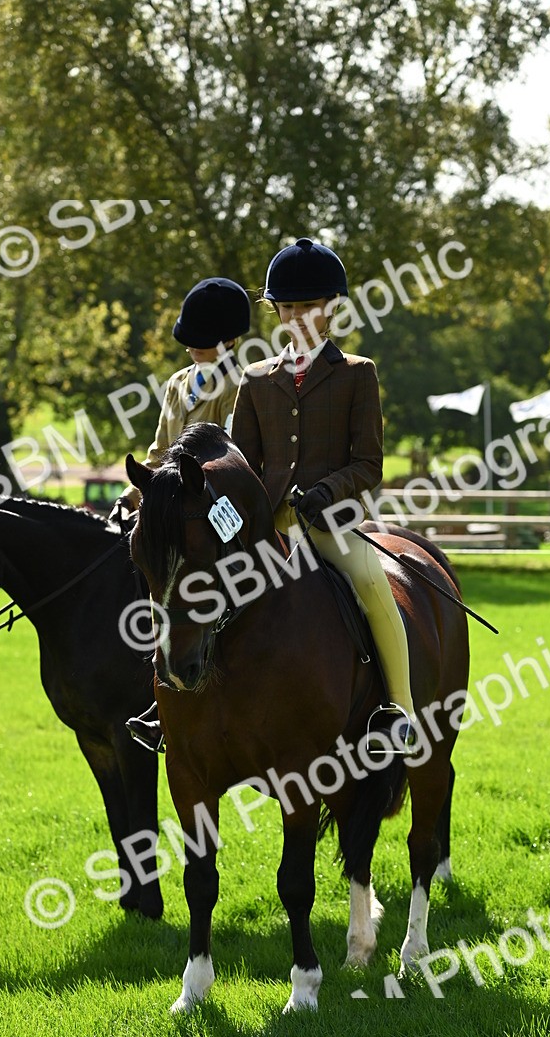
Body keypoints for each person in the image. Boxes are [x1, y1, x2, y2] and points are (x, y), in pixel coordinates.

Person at [231, 237, 418, 753]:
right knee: (201, 587)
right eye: (286, 307)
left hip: (329, 523)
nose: (296, 317)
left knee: (370, 581)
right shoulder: (254, 379)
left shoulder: (357, 374)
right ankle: (172, 703)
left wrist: (325, 491)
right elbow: (241, 465)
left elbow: (369, 464)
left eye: (307, 307)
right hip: (268, 524)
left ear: (331, 308)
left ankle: (398, 710)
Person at [119, 276, 251, 750]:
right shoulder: (177, 383)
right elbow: (157, 451)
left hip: (217, 506)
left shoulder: (242, 382)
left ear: (230, 339)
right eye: (190, 340)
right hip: (170, 509)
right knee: (144, 560)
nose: (194, 349)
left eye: (204, 341)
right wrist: (134, 499)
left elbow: (234, 453)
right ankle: (161, 693)